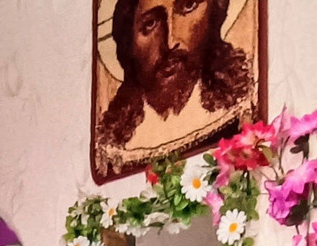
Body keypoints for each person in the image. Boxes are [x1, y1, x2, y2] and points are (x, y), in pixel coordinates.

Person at [97, 0, 253, 152]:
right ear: (128, 43)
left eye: (188, 6)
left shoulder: (236, 108)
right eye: (150, 24)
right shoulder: (120, 145)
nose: (171, 42)